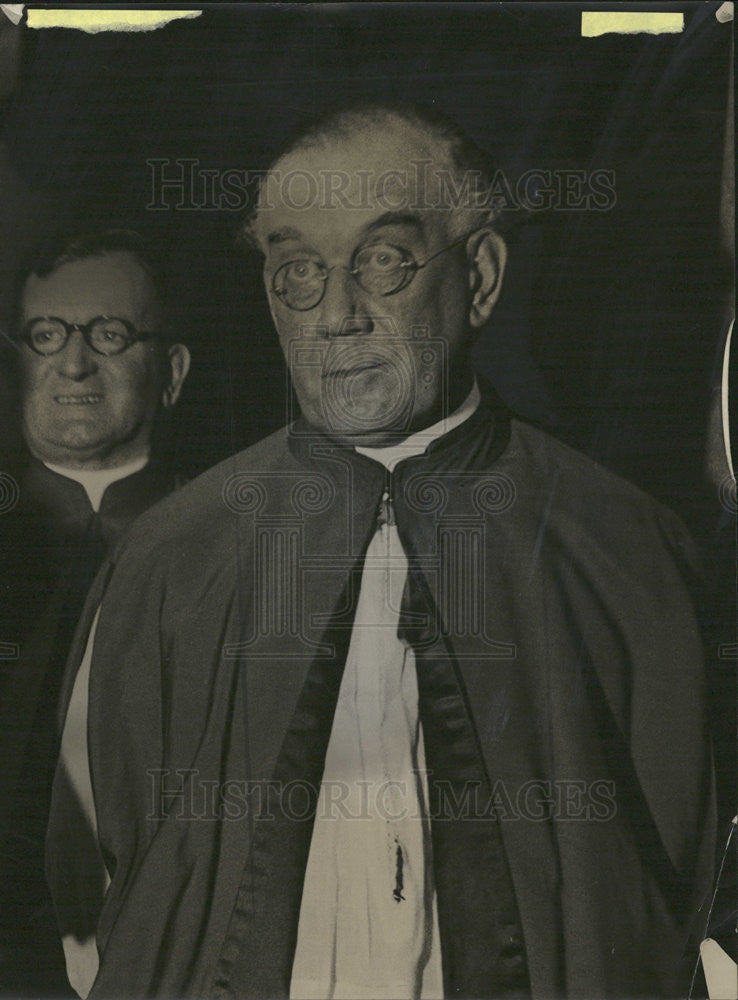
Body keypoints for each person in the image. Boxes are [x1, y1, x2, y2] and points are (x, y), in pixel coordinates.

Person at [49, 105, 714, 999]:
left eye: (384, 262)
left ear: (480, 277)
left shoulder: (624, 547)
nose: (337, 316)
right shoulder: (170, 557)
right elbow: (94, 882)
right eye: (296, 274)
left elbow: (690, 880)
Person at [0, 228, 190, 997]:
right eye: (47, 335)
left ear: (171, 373)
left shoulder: (237, 545)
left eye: (109, 335)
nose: (73, 363)